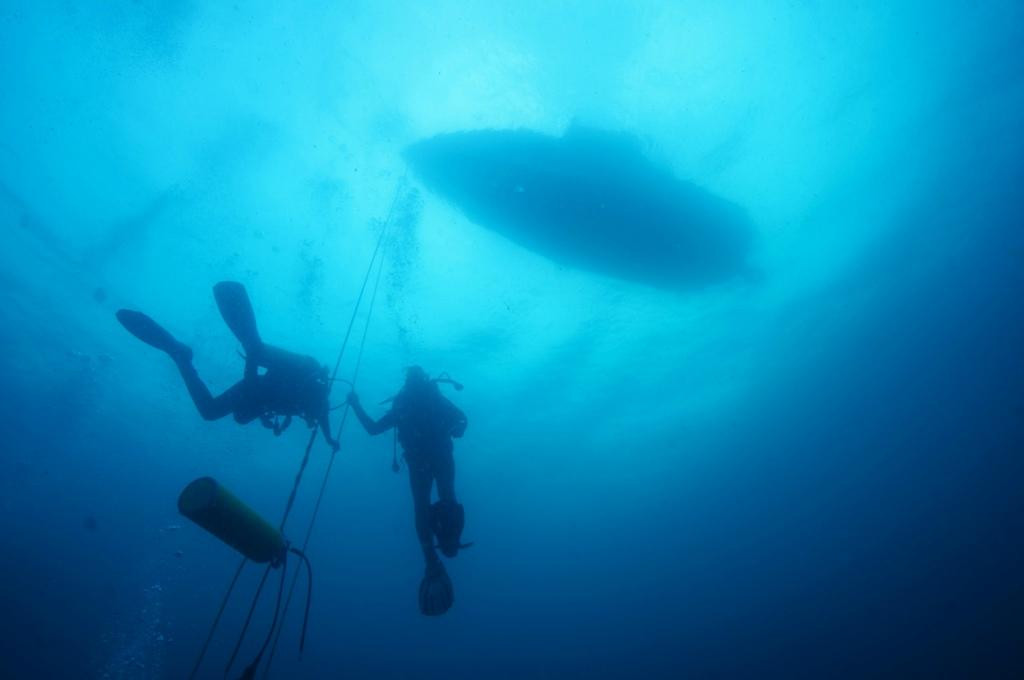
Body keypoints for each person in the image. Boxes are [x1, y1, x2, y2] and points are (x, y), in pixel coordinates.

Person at [115, 281, 339, 451]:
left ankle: (180, 355)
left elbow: (320, 417)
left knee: (210, 411)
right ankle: (237, 310)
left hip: (265, 386)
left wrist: (329, 439)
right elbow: (322, 412)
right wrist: (328, 437)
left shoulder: (300, 406)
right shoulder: (316, 398)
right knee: (257, 351)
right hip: (299, 368)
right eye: (312, 417)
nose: (310, 421)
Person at [347, 366, 467, 616]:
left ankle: (431, 558)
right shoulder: (435, 398)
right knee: (448, 499)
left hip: (418, 461)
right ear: (425, 379)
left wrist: (355, 404)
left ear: (406, 382)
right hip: (441, 456)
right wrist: (454, 430)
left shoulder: (403, 405)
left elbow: (372, 429)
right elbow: (462, 421)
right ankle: (450, 542)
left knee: (421, 507)